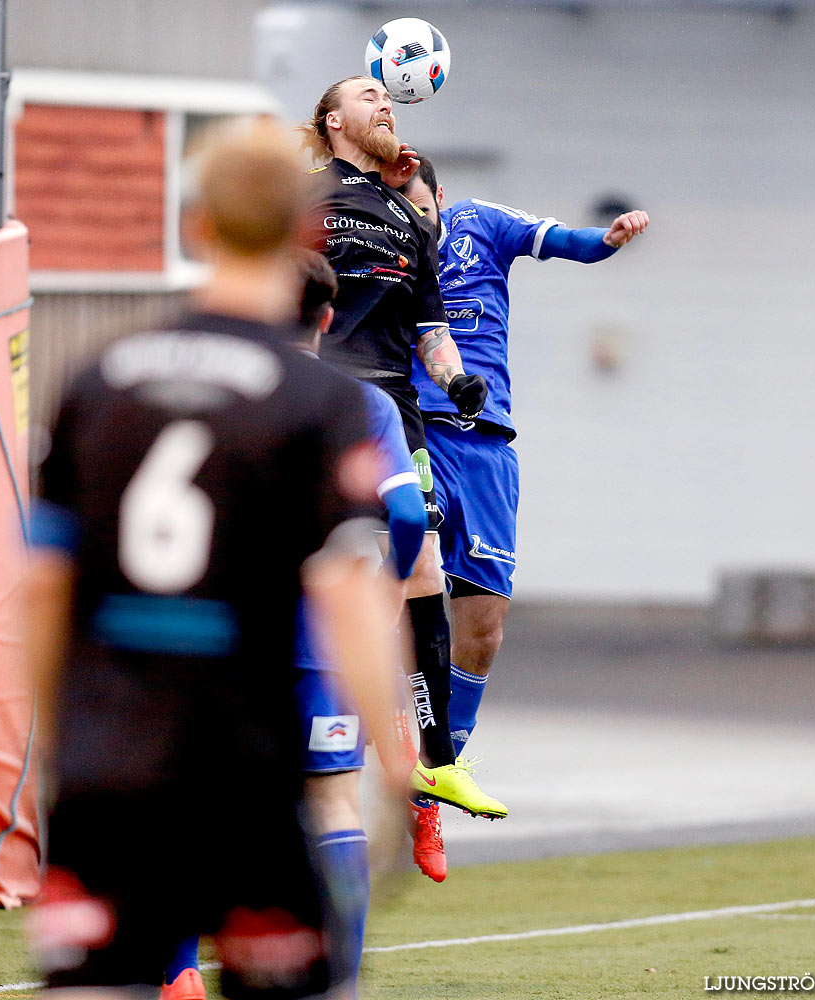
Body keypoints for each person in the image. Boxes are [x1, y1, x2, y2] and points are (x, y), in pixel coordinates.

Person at [24, 118, 407, 1000]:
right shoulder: (319, 400)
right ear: (304, 231)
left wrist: (58, 750)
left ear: (196, 223)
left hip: (111, 771)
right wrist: (394, 759)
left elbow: (41, 585)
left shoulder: (99, 378)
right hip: (246, 774)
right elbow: (350, 590)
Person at [160, 252, 427, 1000]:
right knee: (332, 802)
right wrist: (391, 584)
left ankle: (177, 973)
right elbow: (406, 511)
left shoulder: (202, 390)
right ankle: (333, 973)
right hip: (317, 639)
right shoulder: (354, 400)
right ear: (326, 316)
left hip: (210, 635)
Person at [400, 157, 649, 879]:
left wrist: (608, 238)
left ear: (440, 198)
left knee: (482, 627)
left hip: (487, 449)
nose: (415, 220)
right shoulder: (383, 246)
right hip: (412, 430)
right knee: (396, 589)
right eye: (402, 209)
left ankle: (433, 781)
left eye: (422, 208)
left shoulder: (484, 224)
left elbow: (572, 244)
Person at [298, 77, 506, 824]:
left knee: (420, 564)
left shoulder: (408, 218)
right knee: (320, 556)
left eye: (390, 96)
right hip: (323, 392)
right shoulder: (307, 191)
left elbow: (430, 329)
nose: (384, 103)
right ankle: (315, 713)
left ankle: (436, 762)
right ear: (332, 121)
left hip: (397, 408)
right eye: (365, 95)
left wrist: (457, 381)